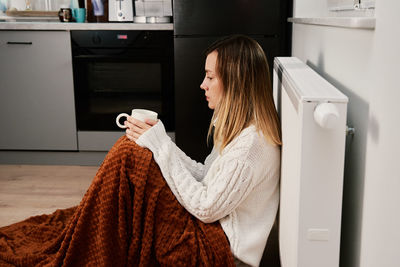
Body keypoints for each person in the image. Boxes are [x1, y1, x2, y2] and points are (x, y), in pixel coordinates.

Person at [124, 35, 281, 267]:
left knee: (133, 175)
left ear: (235, 81)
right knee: (132, 158)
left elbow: (206, 208)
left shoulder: (250, 146)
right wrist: (158, 141)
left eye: (210, 77)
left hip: (222, 250)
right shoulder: (240, 128)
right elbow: (205, 176)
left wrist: (161, 146)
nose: (203, 84)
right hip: (212, 231)